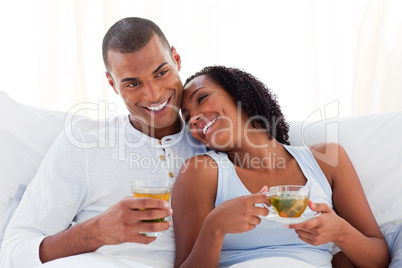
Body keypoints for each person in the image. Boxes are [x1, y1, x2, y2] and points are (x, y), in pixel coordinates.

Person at [0, 17, 205, 267]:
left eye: (161, 73)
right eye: (133, 83)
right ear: (113, 84)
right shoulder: (84, 142)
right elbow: (14, 251)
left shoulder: (215, 136)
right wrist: (96, 232)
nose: (153, 94)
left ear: (177, 59)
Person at [172, 66, 390, 268]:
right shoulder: (200, 172)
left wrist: (341, 232)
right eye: (188, 117)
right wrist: (214, 228)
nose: (194, 119)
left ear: (239, 94)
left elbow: (379, 259)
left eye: (202, 98)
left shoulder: (327, 160)